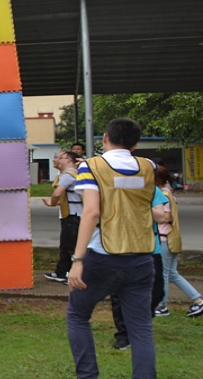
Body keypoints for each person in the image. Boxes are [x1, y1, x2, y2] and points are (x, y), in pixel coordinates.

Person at [67, 118, 171, 378]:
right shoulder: (148, 167)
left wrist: (77, 260)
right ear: (135, 144)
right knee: (141, 328)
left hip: (103, 255)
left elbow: (91, 212)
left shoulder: (91, 166)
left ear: (104, 138)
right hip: (142, 255)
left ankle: (88, 374)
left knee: (78, 315)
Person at [153, 165, 203, 318]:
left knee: (164, 274)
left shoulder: (163, 194)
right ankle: (198, 300)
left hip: (165, 238)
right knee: (172, 273)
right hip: (170, 238)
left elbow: (167, 217)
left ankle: (162, 305)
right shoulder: (168, 193)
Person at [43, 151, 82, 284]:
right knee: (65, 245)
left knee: (70, 245)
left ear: (70, 161)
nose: (59, 160)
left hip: (73, 215)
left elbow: (57, 193)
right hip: (70, 214)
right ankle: (61, 271)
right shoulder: (68, 174)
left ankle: (71, 273)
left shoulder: (69, 175)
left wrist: (52, 203)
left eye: (62, 158)